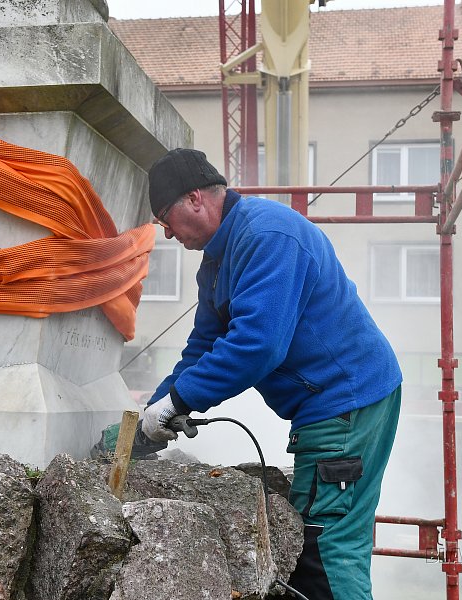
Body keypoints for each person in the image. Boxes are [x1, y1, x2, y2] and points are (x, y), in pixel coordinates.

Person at [140, 148, 402, 600]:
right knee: (330, 542)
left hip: (345, 403)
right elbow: (203, 347)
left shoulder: (267, 235)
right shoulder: (218, 262)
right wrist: (154, 410)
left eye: (166, 217)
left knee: (323, 549)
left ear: (196, 199)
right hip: (336, 402)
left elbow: (257, 345)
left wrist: (179, 402)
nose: (166, 233)